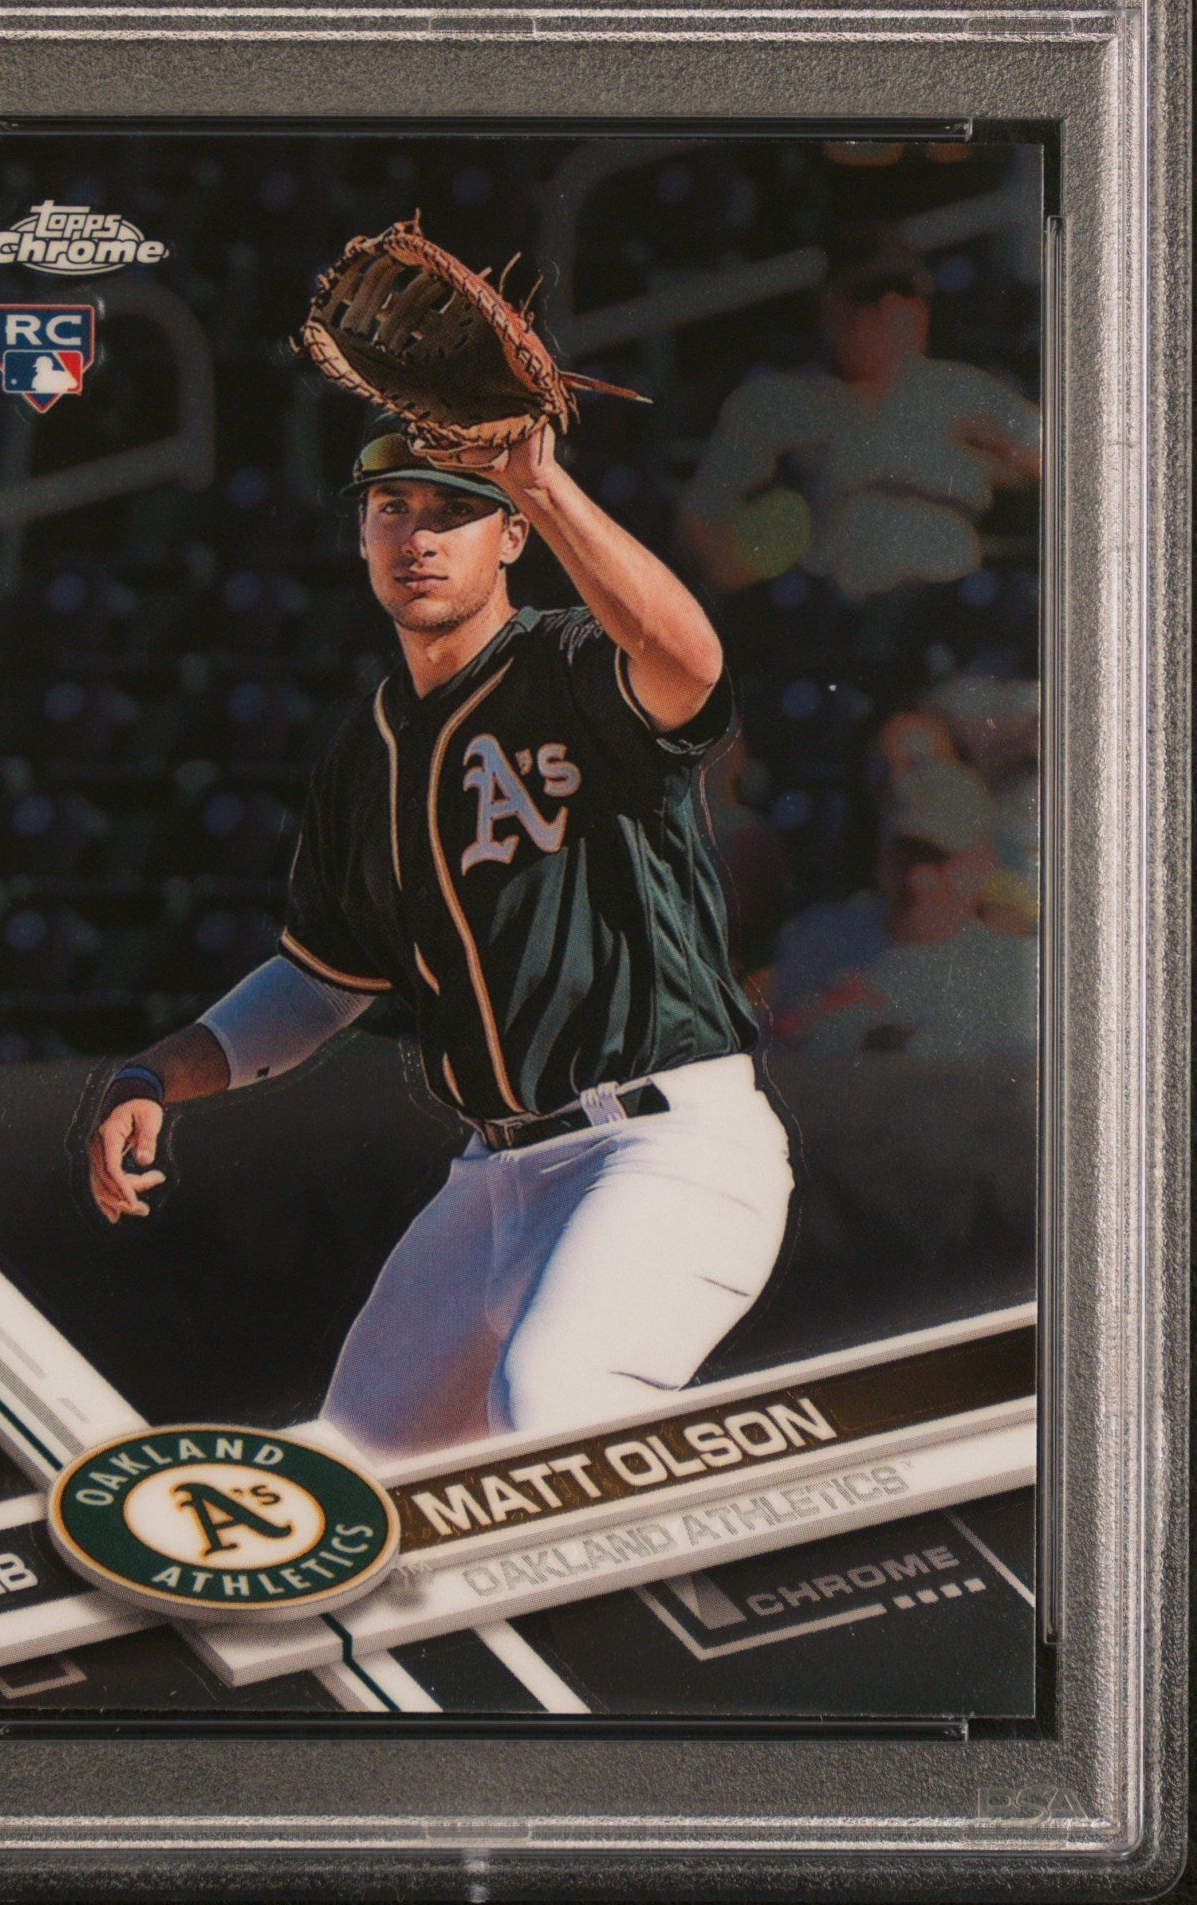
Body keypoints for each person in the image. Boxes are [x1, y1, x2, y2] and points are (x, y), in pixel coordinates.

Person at [87, 423, 794, 1463]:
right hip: (492, 1179)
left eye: (454, 511)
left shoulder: (570, 660)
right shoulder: (363, 751)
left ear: (510, 537)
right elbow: (322, 980)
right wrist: (157, 1073)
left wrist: (542, 481)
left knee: (555, 1404)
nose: (417, 536)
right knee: (356, 1477)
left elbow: (689, 664)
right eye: (393, 510)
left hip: (663, 1145)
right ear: (362, 537)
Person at [676, 231, 1041, 603]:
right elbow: (700, 518)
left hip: (948, 604)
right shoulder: (778, 401)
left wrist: (1010, 450)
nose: (890, 308)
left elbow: (1059, 458)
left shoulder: (962, 390)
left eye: (908, 293)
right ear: (829, 304)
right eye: (870, 294)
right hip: (830, 607)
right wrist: (747, 560)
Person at [765, 761, 1037, 1064]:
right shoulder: (816, 942)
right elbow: (776, 1062)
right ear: (880, 854)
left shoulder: (1018, 975)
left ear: (984, 862)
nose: (918, 879)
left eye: (939, 860)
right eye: (905, 856)